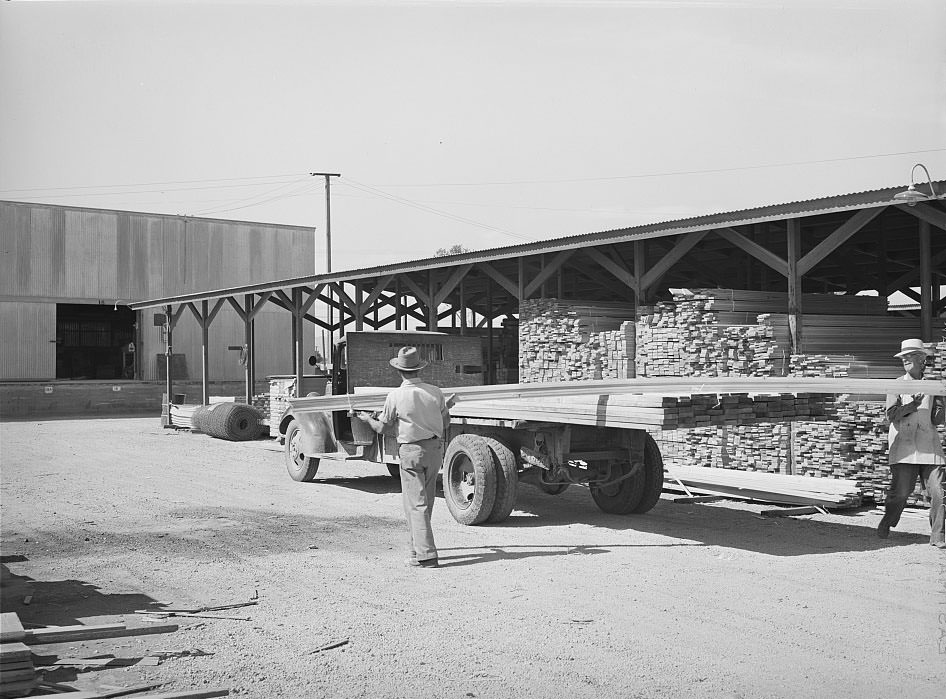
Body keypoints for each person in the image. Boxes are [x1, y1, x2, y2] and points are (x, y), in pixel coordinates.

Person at [354, 346, 450, 568]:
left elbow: (383, 429)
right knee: (426, 501)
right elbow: (445, 423)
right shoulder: (435, 392)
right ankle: (417, 550)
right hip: (434, 450)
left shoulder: (395, 396)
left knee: (415, 504)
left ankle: (427, 555)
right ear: (419, 368)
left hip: (411, 452)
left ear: (399, 371)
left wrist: (367, 419)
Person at [878, 338, 946, 548]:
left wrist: (943, 404)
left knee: (939, 491)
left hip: (929, 445)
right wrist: (912, 405)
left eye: (910, 357)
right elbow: (891, 414)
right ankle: (888, 520)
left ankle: (938, 536)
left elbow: (936, 419)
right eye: (903, 358)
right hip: (904, 446)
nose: (905, 360)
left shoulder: (933, 386)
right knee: (900, 493)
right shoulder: (897, 385)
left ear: (922, 360)